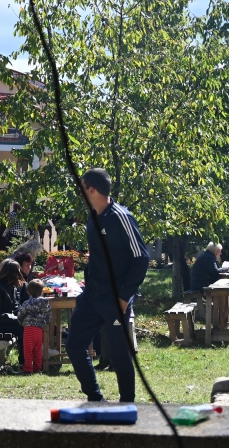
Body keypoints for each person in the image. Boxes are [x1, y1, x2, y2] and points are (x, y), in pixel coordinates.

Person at [67, 168, 150, 403]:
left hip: (115, 301)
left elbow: (141, 258)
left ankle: (126, 404)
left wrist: (124, 297)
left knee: (118, 354)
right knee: (74, 345)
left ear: (91, 190)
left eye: (82, 189)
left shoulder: (121, 217)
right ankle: (95, 398)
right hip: (92, 297)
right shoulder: (92, 218)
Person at [18, 279, 51, 374]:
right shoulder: (45, 304)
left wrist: (21, 323)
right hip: (39, 329)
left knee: (28, 350)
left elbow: (21, 314)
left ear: (28, 292)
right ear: (42, 291)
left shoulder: (26, 303)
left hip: (28, 329)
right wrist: (45, 323)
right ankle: (37, 368)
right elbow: (49, 315)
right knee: (37, 350)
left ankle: (28, 368)